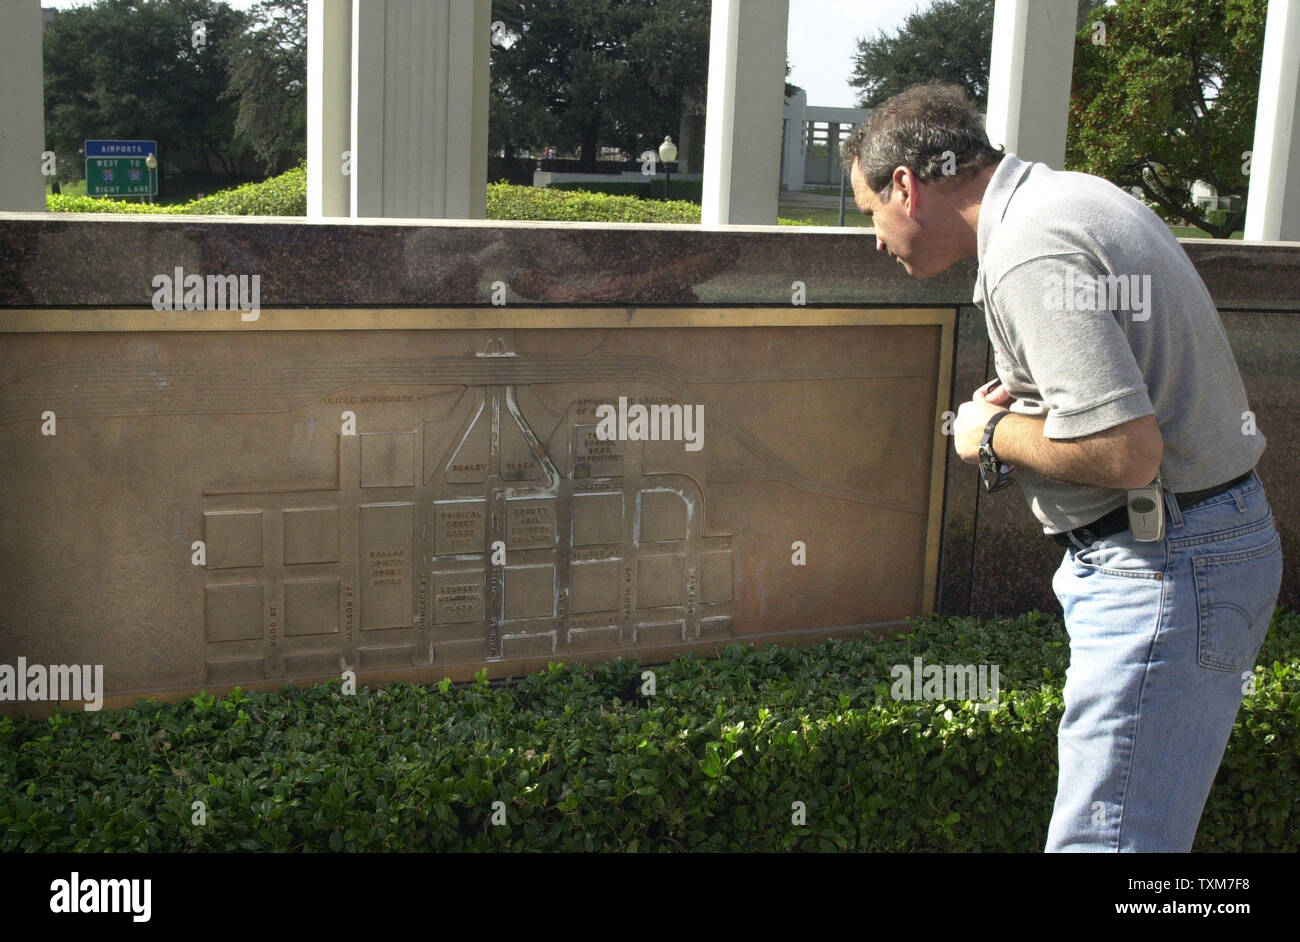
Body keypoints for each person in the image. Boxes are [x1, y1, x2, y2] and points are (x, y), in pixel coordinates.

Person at [841, 81, 1282, 852]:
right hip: (1203, 543)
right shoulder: (1072, 197)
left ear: (906, 186)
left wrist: (989, 432)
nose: (875, 237)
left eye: (869, 211)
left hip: (1161, 564)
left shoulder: (1027, 250)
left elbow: (1128, 451)